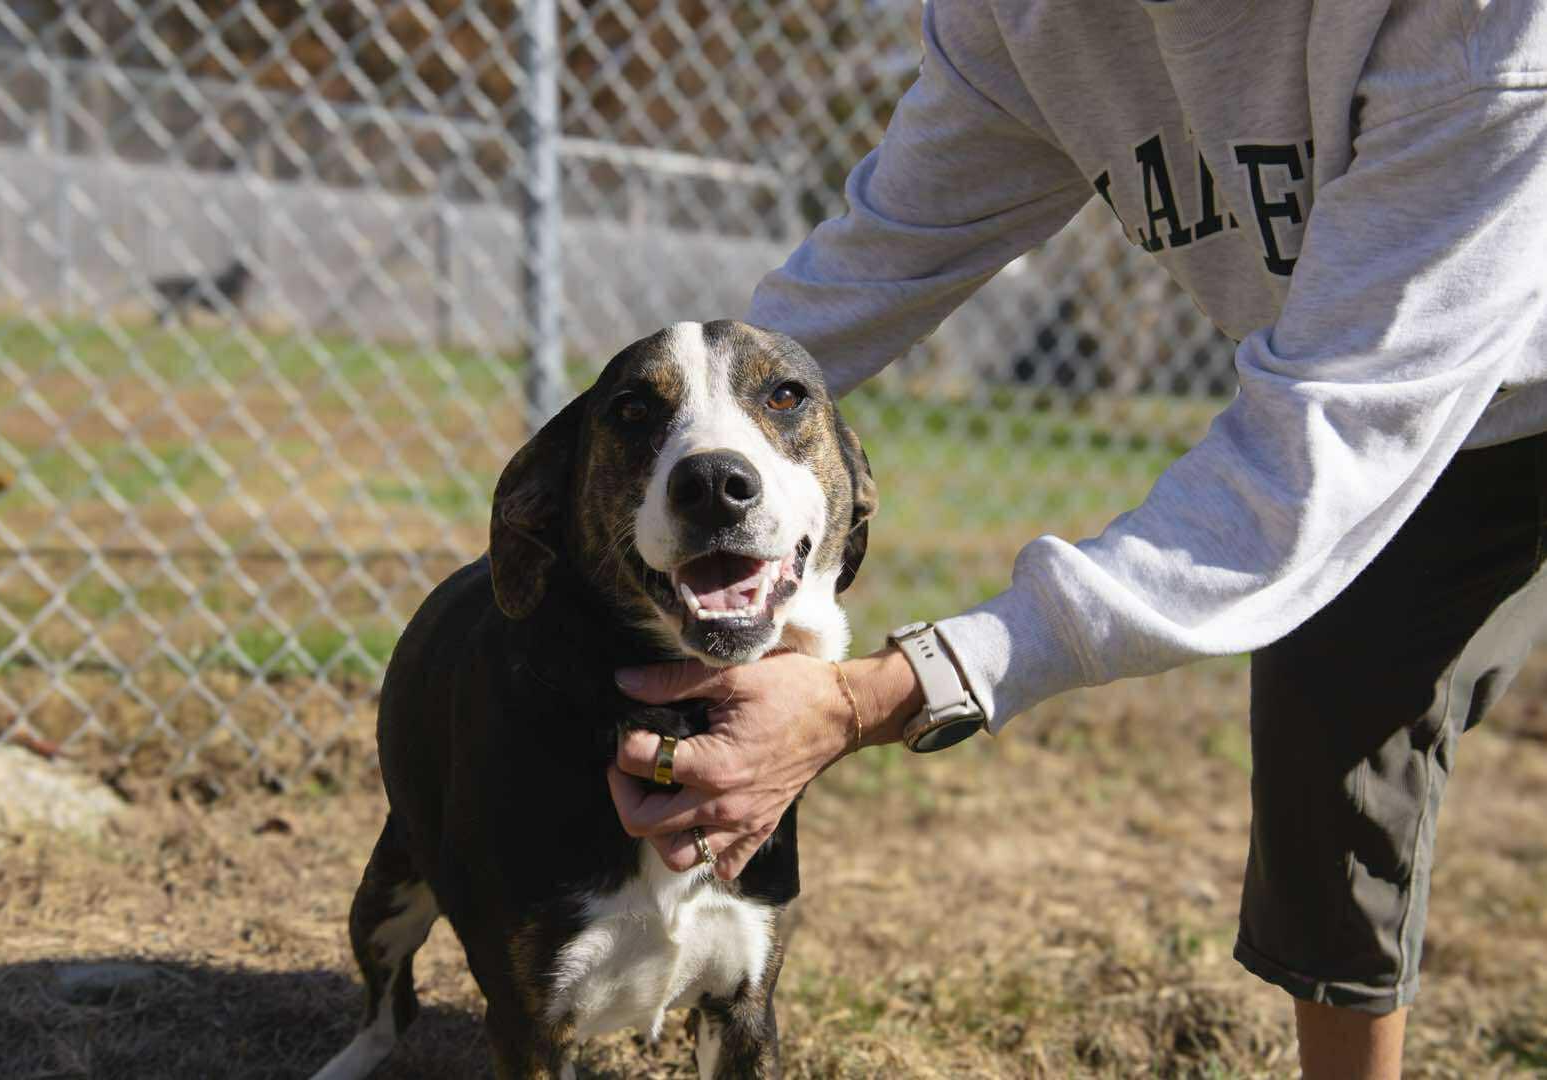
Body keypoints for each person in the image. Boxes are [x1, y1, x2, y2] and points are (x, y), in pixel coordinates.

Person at [604, 2, 1547, 1076]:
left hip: (1473, 374)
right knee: (1329, 718)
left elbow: (1301, 470)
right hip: (1396, 399)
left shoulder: (1479, 20)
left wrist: (885, 693)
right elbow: (864, 273)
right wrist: (614, 477)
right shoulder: (1026, 20)